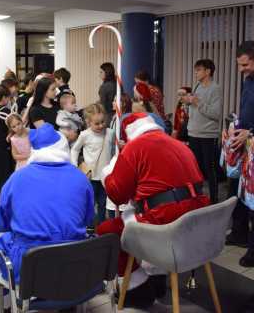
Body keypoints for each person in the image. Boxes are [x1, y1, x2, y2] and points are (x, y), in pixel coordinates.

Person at [97, 112, 210, 309]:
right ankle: (157, 279)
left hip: (164, 225)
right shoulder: (179, 145)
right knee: (150, 213)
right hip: (197, 223)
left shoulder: (134, 148)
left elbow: (118, 196)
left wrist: (108, 174)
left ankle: (137, 289)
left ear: (128, 134)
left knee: (107, 230)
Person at [0, 123, 94, 311]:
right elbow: (88, 220)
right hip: (75, 262)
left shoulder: (17, 178)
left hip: (29, 268)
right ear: (63, 148)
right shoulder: (80, 178)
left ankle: (1, 303)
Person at [225, 41, 254, 267]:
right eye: (239, 64)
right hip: (245, 147)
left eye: (245, 64)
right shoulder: (248, 81)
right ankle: (240, 233)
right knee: (241, 194)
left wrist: (250, 131)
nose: (241, 69)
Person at [182, 59, 222, 204]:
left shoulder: (215, 88)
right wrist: (187, 103)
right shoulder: (197, 86)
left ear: (208, 71)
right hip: (193, 132)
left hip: (207, 134)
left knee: (209, 168)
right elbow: (194, 108)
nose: (196, 73)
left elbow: (215, 113)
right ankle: (197, 197)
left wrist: (197, 102)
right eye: (196, 70)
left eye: (199, 70)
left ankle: (214, 199)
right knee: (195, 167)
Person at [71, 103, 113, 225]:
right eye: (97, 123)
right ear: (88, 122)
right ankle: (88, 225)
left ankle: (101, 224)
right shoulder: (85, 135)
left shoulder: (110, 133)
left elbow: (115, 151)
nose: (101, 126)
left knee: (103, 202)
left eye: (103, 122)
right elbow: (74, 149)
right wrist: (74, 165)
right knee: (90, 202)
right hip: (90, 175)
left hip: (105, 176)